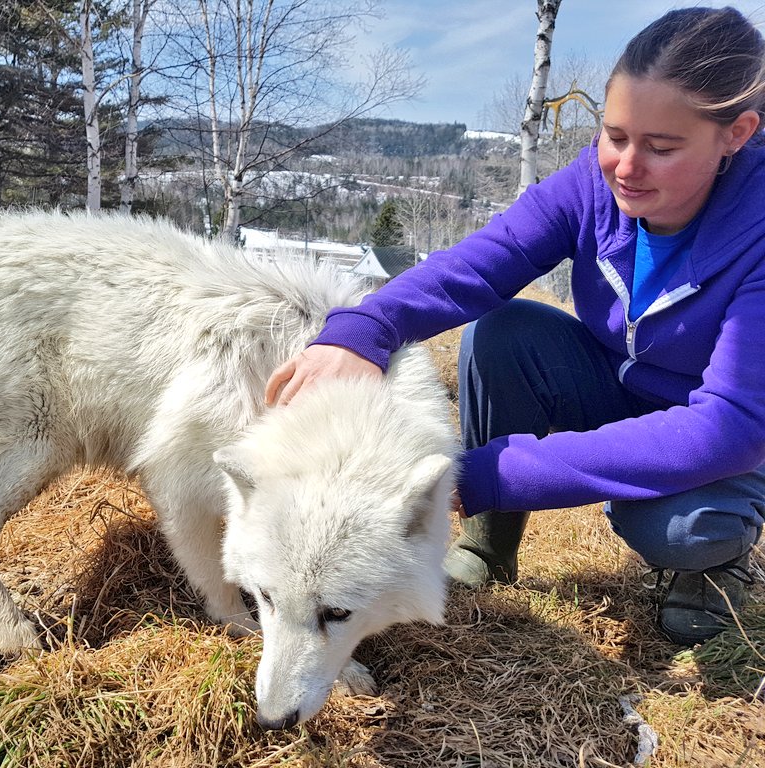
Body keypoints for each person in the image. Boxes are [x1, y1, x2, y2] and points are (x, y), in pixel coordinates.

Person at [265, 6, 765, 646]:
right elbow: (479, 265)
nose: (626, 168)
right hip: (616, 380)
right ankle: (489, 544)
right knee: (501, 329)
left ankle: (716, 564)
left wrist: (483, 473)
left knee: (684, 530)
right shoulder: (593, 181)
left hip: (709, 428)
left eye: (662, 148)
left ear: (737, 134)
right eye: (614, 136)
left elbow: (727, 427)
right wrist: (365, 328)